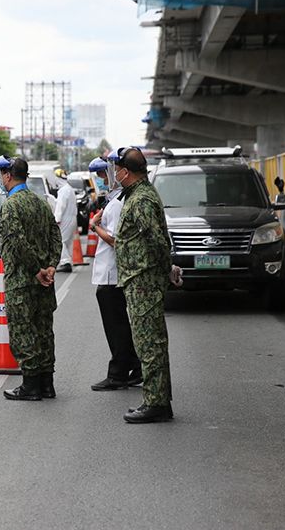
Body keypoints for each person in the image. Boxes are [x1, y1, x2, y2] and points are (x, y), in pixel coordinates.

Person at [0, 155, 62, 401]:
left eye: (2, 175)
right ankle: (47, 383)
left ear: (8, 176)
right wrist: (51, 266)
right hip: (45, 281)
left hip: (23, 281)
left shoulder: (11, 205)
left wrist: (36, 269)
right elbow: (56, 235)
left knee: (24, 331)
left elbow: (16, 241)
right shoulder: (41, 202)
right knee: (44, 331)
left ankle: (31, 385)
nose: (1, 180)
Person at [113, 147, 174, 423]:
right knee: (150, 343)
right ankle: (157, 400)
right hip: (140, 280)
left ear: (126, 171)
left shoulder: (141, 200)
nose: (115, 173)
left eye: (117, 169)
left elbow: (158, 242)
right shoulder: (138, 195)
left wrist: (164, 269)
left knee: (150, 344)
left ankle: (156, 404)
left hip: (144, 283)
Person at [87, 156, 142, 391]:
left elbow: (117, 240)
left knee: (116, 325)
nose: (100, 180)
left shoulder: (119, 203)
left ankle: (119, 372)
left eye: (104, 174)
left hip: (113, 273)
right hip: (109, 272)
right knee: (118, 323)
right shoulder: (115, 199)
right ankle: (132, 366)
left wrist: (95, 226)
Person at [53, 168, 78, 273]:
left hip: (64, 219)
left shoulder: (63, 190)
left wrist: (56, 219)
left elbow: (61, 206)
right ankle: (67, 261)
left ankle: (65, 262)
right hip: (72, 218)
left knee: (61, 241)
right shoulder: (69, 189)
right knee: (67, 242)